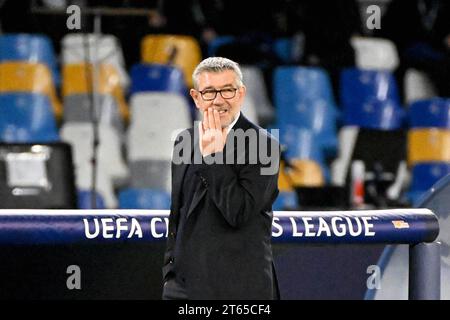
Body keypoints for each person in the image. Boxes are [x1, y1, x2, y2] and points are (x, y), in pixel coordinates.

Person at [162, 57, 280, 300]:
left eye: (227, 90)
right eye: (209, 92)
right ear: (196, 97)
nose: (218, 100)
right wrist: (170, 271)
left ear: (241, 94)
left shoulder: (265, 146)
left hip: (239, 289)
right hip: (183, 287)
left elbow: (238, 212)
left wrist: (214, 157)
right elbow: (179, 212)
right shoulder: (184, 140)